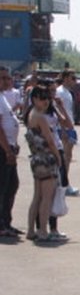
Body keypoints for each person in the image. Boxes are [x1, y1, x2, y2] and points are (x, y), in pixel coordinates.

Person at [24, 85, 64, 243]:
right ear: (34, 99)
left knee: (37, 196)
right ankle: (42, 230)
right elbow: (50, 140)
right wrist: (58, 157)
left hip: (35, 158)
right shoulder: (40, 117)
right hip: (46, 158)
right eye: (42, 98)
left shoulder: (30, 114)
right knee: (47, 197)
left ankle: (30, 230)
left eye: (47, 98)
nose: (46, 101)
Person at [0, 66, 19, 238]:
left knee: (11, 185)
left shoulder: (3, 97)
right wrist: (7, 151)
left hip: (9, 147)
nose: (6, 81)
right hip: (3, 150)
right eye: (3, 78)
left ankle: (6, 222)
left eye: (7, 78)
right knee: (3, 187)